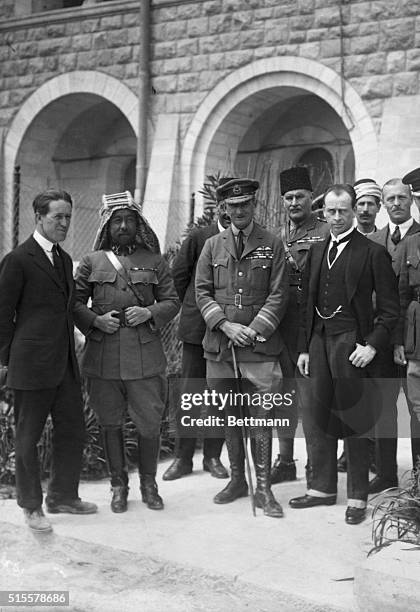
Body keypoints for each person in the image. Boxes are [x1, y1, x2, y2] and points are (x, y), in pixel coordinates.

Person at [289, 184, 399, 525]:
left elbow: (391, 310)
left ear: (354, 212)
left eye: (343, 211)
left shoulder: (372, 252)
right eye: (330, 212)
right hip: (320, 341)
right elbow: (307, 303)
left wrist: (372, 346)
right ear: (323, 212)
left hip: (353, 344)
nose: (335, 218)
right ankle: (321, 489)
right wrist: (305, 347)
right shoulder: (319, 249)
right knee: (317, 414)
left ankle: (357, 496)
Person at [73, 191, 180, 513]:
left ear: (138, 224)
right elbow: (74, 303)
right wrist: (94, 320)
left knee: (149, 424)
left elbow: (172, 301)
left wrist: (150, 313)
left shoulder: (154, 261)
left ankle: (149, 485)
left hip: (145, 359)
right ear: (107, 225)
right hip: (102, 357)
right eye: (117, 221)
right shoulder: (92, 261)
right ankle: (118, 486)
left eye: (129, 221)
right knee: (110, 423)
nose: (122, 226)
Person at [0, 189, 97, 533]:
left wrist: (93, 325)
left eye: (68, 216)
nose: (65, 223)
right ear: (38, 217)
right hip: (31, 363)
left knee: (73, 429)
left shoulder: (65, 259)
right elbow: (3, 313)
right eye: (58, 217)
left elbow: (68, 308)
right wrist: (5, 360)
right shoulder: (18, 259)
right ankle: (31, 507)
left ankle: (63, 496)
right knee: (28, 437)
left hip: (65, 362)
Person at [195, 178, 289, 518]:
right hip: (220, 347)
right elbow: (201, 292)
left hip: (259, 346)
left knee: (262, 414)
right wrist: (225, 325)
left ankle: (263, 487)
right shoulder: (211, 246)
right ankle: (238, 480)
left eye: (245, 204)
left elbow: (279, 295)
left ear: (254, 206)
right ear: (224, 209)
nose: (239, 210)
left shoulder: (272, 243)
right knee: (229, 414)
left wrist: (252, 330)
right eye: (233, 206)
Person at [162, 192, 230, 481]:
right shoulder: (199, 237)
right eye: (225, 206)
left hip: (228, 333)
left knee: (220, 396)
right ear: (217, 207)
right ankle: (183, 457)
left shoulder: (251, 240)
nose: (229, 212)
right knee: (190, 393)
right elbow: (178, 276)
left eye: (237, 206)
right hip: (196, 331)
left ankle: (213, 457)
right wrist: (190, 309)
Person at [271, 166, 329, 485]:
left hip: (313, 324)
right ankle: (285, 461)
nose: (294, 203)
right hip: (282, 325)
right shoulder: (276, 236)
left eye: (300, 197)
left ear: (311, 198)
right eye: (289, 198)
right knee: (284, 395)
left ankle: (316, 465)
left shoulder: (324, 230)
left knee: (311, 397)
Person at [369, 178, 420, 491]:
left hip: (414, 341)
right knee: (382, 407)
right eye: (391, 199)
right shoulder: (373, 240)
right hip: (380, 339)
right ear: (383, 204)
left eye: (402, 197)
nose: (397, 203)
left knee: (417, 409)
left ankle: (417, 478)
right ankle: (386, 474)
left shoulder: (419, 237)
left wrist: (403, 339)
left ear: (410, 200)